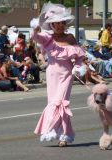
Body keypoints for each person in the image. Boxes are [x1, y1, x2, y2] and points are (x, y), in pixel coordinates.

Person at [31, 2, 85, 147]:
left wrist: (78, 67)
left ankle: (56, 131)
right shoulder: (47, 38)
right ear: (52, 25)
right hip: (52, 74)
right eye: (57, 23)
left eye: (62, 22)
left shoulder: (70, 38)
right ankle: (63, 134)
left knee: (61, 103)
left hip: (67, 73)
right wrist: (35, 30)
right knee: (53, 103)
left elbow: (79, 56)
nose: (60, 25)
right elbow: (35, 38)